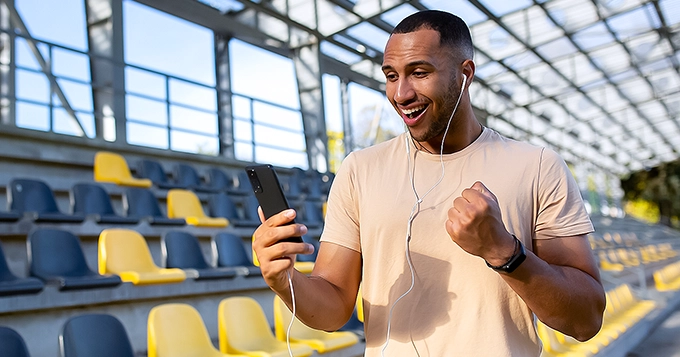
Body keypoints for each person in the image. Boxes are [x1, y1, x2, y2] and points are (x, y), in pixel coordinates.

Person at [252, 10, 605, 357]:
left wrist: (504, 252)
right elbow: (332, 309)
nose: (401, 94)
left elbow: (585, 320)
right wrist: (285, 281)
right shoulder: (360, 169)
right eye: (391, 76)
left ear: (464, 74)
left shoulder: (538, 166)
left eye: (419, 72)